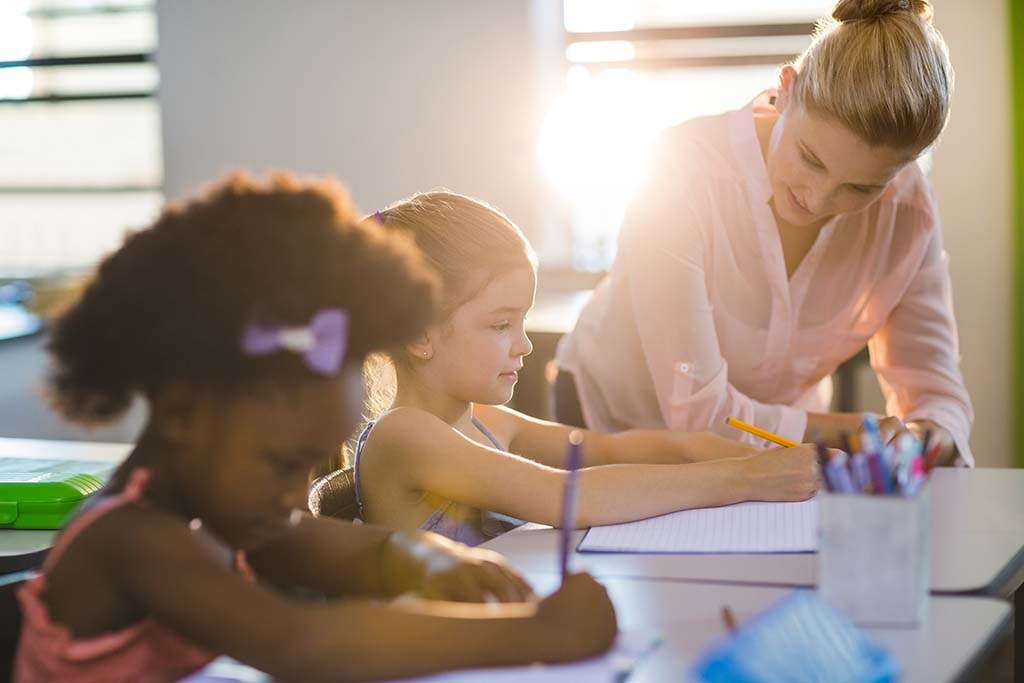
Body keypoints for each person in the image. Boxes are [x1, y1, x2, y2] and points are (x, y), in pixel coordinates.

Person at [15, 173, 616, 683]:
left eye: (306, 466)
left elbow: (371, 550)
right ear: (182, 417)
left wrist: (432, 560)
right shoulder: (134, 539)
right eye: (281, 465)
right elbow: (298, 643)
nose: (292, 498)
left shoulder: (235, 517)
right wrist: (539, 634)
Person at [555, 0, 973, 466]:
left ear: (903, 168)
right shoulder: (678, 173)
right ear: (786, 90)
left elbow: (936, 394)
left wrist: (917, 439)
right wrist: (847, 433)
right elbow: (697, 411)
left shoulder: (907, 211)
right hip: (618, 416)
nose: (816, 199)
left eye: (859, 187)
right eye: (811, 158)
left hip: (784, 442)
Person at [353, 190, 820, 546]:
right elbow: (568, 496)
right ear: (419, 334)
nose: (525, 344)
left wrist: (731, 453)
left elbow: (606, 449)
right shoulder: (404, 436)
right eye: (501, 325)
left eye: (523, 322)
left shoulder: (485, 422)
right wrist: (748, 479)